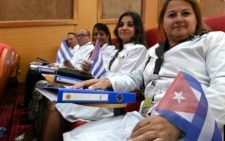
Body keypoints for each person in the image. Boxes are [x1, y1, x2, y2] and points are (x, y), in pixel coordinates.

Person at [64, 0, 225, 140]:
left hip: (197, 121)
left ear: (196, 19)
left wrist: (179, 122)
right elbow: (136, 77)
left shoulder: (214, 40)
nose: (178, 19)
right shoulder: (154, 51)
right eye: (171, 15)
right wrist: (109, 81)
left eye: (185, 13)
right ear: (163, 23)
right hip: (147, 117)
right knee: (77, 137)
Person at [37, 12, 148, 141]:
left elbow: (123, 79)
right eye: (121, 24)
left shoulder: (139, 49)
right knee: (54, 100)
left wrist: (101, 76)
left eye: (130, 25)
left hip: (113, 100)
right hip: (101, 91)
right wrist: (92, 69)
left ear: (137, 29)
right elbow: (105, 75)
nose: (124, 28)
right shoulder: (119, 51)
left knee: (55, 104)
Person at [20, 32, 80, 108]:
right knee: (31, 69)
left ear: (77, 39)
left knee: (33, 75)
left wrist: (55, 65)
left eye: (71, 39)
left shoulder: (77, 50)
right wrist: (45, 64)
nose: (69, 41)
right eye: (68, 40)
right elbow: (60, 63)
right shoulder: (69, 49)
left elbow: (68, 65)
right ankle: (28, 102)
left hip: (62, 73)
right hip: (57, 68)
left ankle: (27, 104)